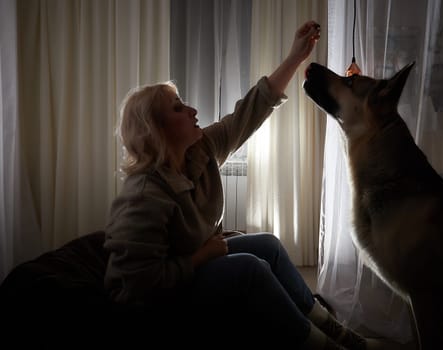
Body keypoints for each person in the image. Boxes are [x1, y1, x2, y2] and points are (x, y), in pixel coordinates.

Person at [103, 20, 366, 350]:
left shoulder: (200, 151)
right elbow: (139, 286)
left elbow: (251, 111)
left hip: (190, 268)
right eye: (178, 108)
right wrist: (201, 256)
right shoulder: (144, 195)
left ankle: (338, 332)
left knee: (267, 244)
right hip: (156, 304)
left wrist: (296, 57)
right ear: (156, 130)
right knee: (249, 268)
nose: (193, 110)